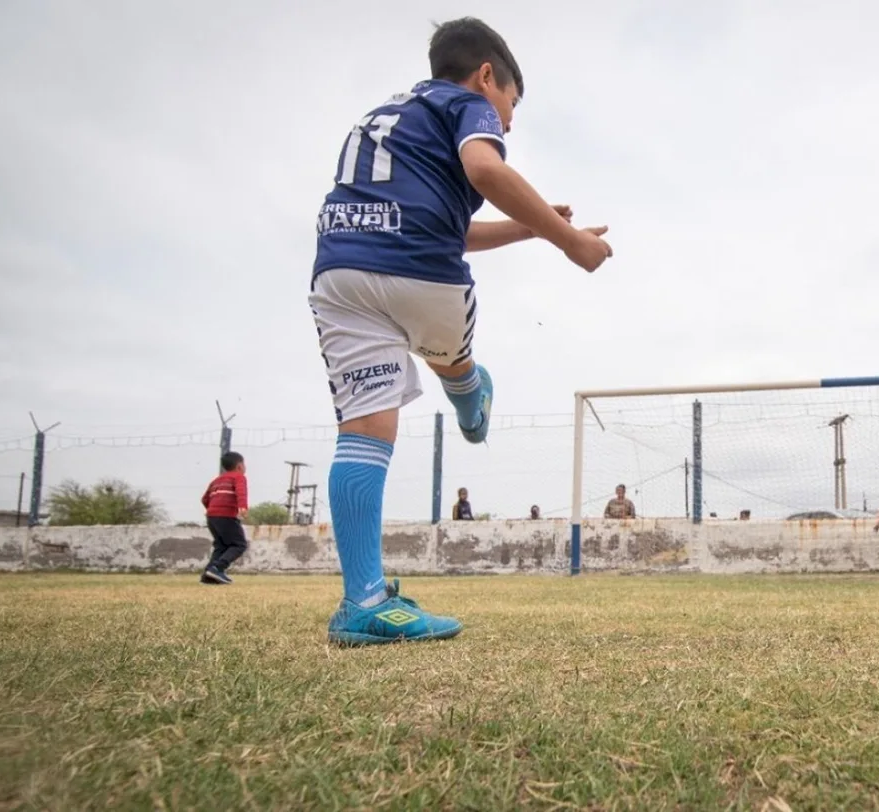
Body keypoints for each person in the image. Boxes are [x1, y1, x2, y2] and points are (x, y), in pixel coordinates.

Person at [309, 17, 613, 646]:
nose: (507, 120)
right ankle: (467, 387)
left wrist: (530, 228)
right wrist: (571, 244)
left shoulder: (387, 116)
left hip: (339, 271)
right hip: (422, 278)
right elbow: (486, 171)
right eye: (511, 103)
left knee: (365, 430)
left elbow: (449, 227)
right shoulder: (466, 104)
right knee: (451, 357)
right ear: (485, 76)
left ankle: (364, 601)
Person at [201, 452, 249, 585]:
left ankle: (208, 575)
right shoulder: (239, 477)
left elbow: (204, 499)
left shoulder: (216, 480)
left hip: (212, 517)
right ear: (239, 466)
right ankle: (218, 568)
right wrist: (242, 507)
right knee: (239, 544)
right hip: (226, 516)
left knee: (221, 546)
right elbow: (241, 492)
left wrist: (212, 510)